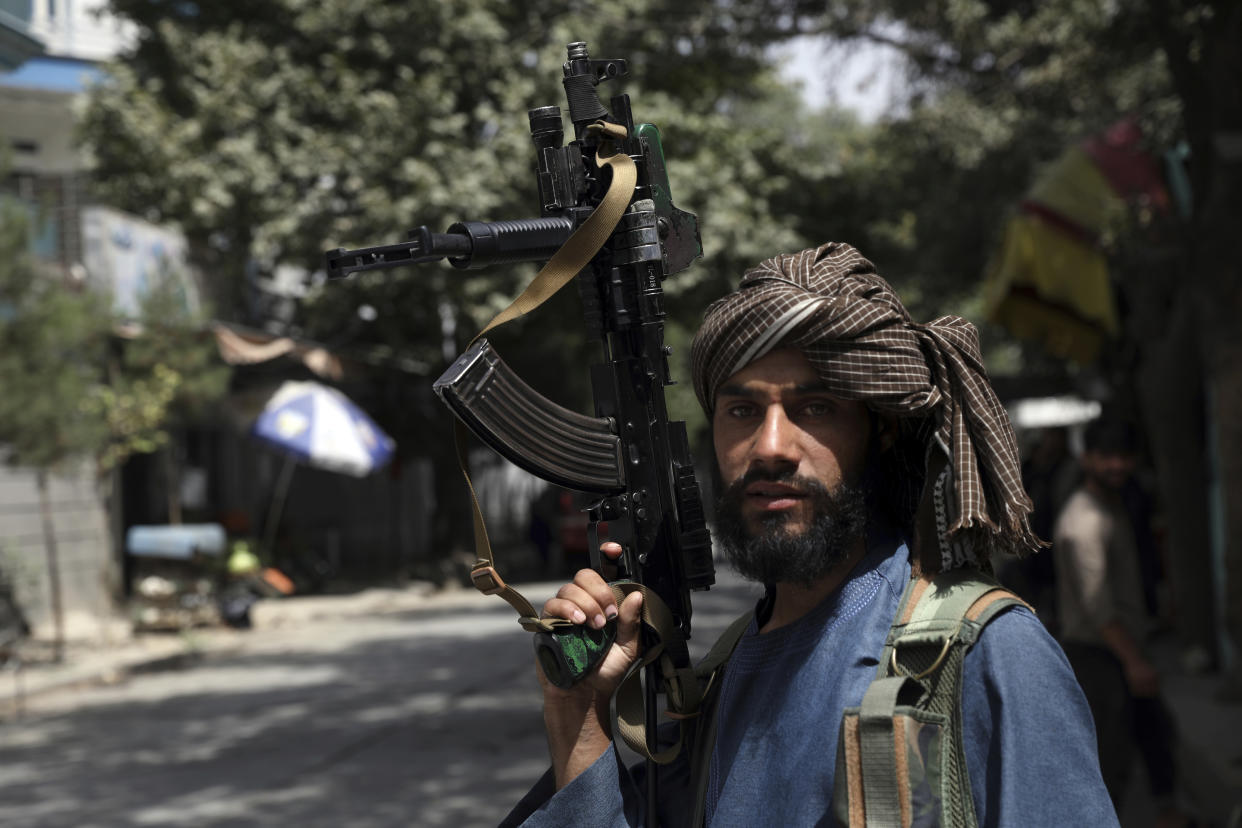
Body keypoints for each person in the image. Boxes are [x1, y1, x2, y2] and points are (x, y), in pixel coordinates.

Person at [504, 243, 1116, 826]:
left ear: (880, 432)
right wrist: (577, 712)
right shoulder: (723, 679)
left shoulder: (985, 654)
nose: (770, 448)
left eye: (815, 408)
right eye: (742, 411)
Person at [1054, 416, 1188, 827]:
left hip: (1122, 648)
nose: (1117, 465)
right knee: (1110, 760)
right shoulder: (1084, 522)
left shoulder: (1113, 505)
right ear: (1087, 458)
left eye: (1124, 456)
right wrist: (1134, 662)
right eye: (1106, 456)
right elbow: (1098, 607)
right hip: (1101, 655)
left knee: (1156, 740)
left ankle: (1169, 815)